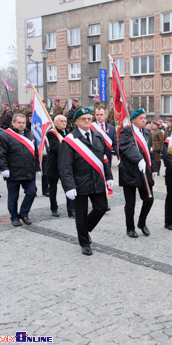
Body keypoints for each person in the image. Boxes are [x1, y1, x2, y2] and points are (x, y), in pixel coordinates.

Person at [59, 108, 113, 256]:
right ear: (76, 121)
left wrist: (108, 176)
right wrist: (69, 186)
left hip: (97, 180)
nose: (87, 121)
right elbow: (65, 166)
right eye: (83, 119)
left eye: (89, 118)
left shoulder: (97, 136)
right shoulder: (70, 140)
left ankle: (85, 229)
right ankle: (84, 242)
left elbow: (104, 159)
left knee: (101, 207)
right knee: (81, 214)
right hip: (79, 182)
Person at [0, 114, 40, 226]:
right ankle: (14, 217)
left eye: (23, 123)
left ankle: (24, 213)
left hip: (28, 170)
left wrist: (37, 167)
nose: (21, 125)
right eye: (19, 122)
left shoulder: (30, 134)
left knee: (32, 192)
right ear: (13, 123)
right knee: (13, 197)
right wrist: (4, 168)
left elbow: (35, 152)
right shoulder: (4, 136)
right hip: (13, 171)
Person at [118, 108, 157, 238]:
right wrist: (138, 159)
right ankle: (130, 227)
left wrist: (154, 168)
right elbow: (128, 147)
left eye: (145, 118)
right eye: (141, 118)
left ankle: (142, 222)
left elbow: (150, 151)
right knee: (130, 204)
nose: (144, 120)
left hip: (144, 171)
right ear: (133, 119)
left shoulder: (147, 132)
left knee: (149, 199)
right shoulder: (127, 131)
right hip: (130, 171)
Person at [45, 115, 75, 218]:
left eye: (65, 121)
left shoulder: (69, 133)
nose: (63, 123)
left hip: (66, 165)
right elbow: (56, 147)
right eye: (61, 121)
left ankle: (71, 210)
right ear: (56, 123)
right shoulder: (51, 133)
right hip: (54, 164)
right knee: (53, 189)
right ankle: (54, 209)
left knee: (69, 187)